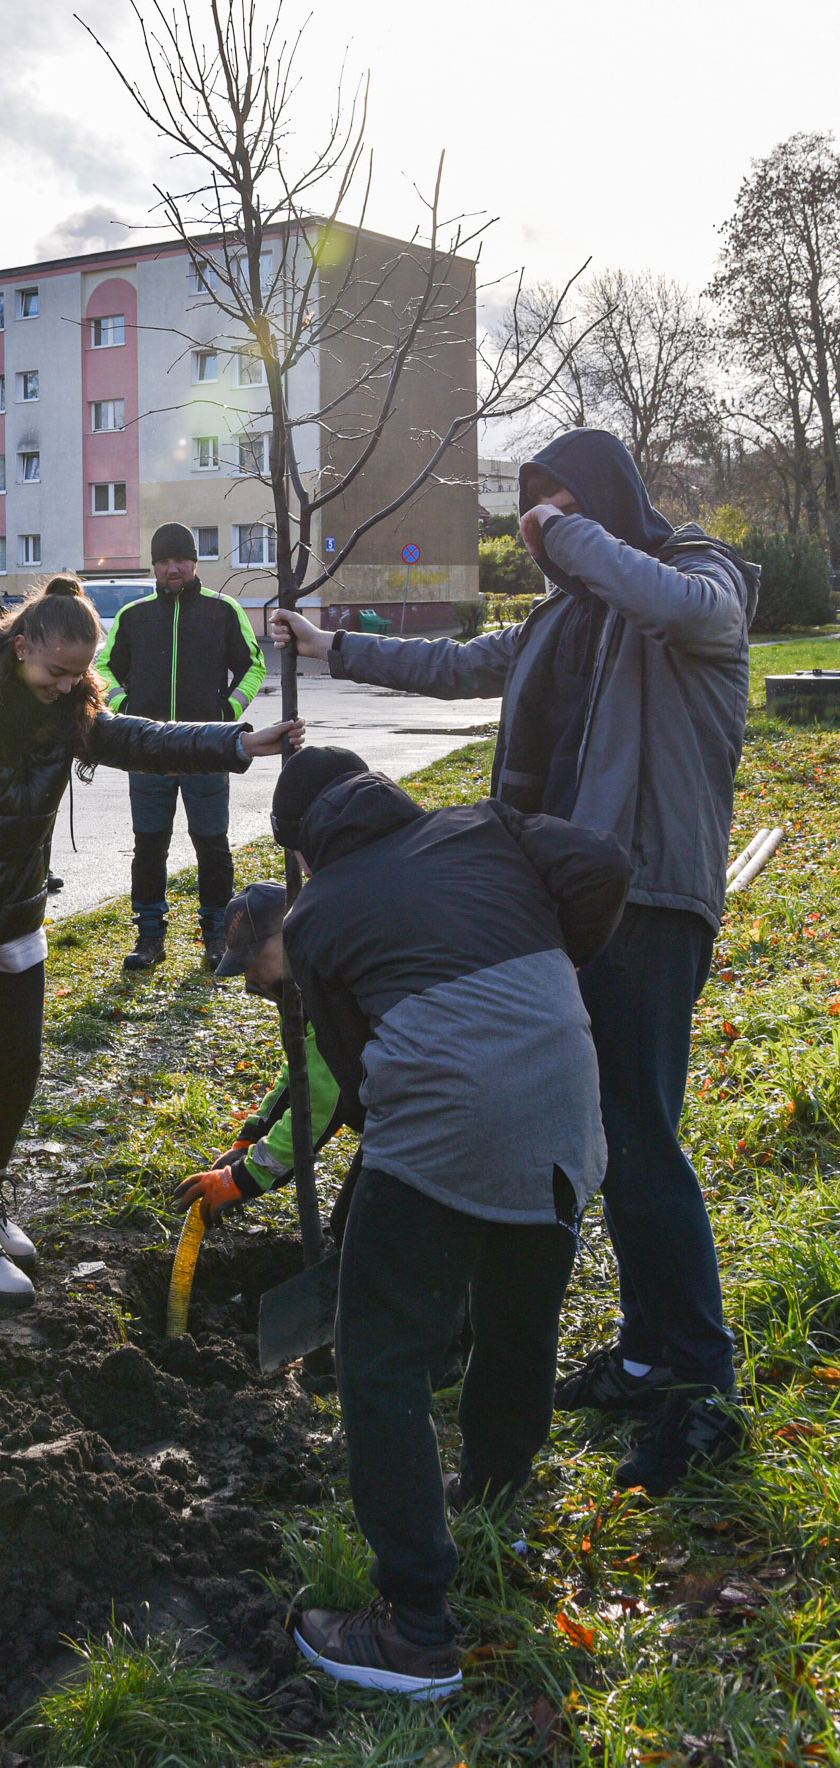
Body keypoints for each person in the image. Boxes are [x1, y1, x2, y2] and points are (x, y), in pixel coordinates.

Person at [272, 430, 758, 1494]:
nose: (535, 525)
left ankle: (699, 1382)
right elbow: (454, 666)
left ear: (604, 503)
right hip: (556, 905)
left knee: (636, 1133)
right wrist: (328, 646)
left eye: (557, 501)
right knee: (606, 1132)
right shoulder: (556, 618)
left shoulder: (694, 574)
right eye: (526, 505)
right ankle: (642, 1353)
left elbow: (689, 614)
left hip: (649, 893)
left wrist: (572, 537)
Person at [269, 749, 630, 1698]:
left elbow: (350, 1074)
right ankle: (498, 1510)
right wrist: (550, 964)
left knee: (381, 1357)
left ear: (307, 850)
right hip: (563, 1089)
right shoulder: (489, 826)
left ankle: (413, 1630)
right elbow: (603, 867)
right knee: (517, 1323)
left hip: (445, 1116)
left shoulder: (315, 911)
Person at [0, 574, 304, 1305]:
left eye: (79, 674)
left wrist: (240, 741)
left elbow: (141, 737)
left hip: (12, 913)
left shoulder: (70, 708)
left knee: (20, 1061)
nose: (66, 686)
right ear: (20, 649)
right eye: (55, 672)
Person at [95, 524, 265, 974]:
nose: (173, 568)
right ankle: (150, 935)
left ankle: (216, 936)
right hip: (147, 754)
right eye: (164, 560)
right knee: (149, 846)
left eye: (181, 560)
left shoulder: (222, 611)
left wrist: (228, 711)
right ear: (154, 565)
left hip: (207, 750)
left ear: (194, 562)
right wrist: (123, 706)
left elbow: (253, 665)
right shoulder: (134, 615)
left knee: (212, 845)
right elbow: (104, 669)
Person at [170, 873, 343, 1227]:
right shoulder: (294, 983)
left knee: (363, 1231)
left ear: (286, 934)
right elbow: (300, 1072)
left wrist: (247, 1178)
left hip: (431, 1115)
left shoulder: (328, 982)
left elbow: (321, 1100)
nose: (249, 977)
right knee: (352, 1228)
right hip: (396, 1113)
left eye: (253, 958)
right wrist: (251, 1136)